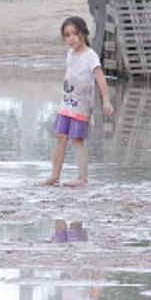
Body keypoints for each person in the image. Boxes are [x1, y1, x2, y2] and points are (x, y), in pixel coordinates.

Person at [41, 16, 114, 187]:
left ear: (83, 34)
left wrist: (106, 100)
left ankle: (83, 178)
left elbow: (100, 78)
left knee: (77, 139)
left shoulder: (91, 56)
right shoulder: (70, 54)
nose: (71, 38)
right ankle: (55, 175)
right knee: (60, 137)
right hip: (67, 102)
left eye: (74, 34)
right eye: (67, 35)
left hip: (81, 105)